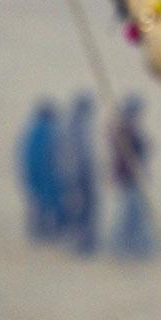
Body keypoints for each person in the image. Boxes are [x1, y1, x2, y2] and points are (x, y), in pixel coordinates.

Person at [110, 96, 153, 257]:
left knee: (134, 213)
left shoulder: (128, 130)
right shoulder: (124, 131)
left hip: (133, 179)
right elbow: (124, 157)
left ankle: (132, 245)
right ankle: (124, 247)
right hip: (129, 180)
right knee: (129, 213)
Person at [17, 100, 65, 240]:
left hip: (36, 176)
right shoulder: (44, 132)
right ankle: (41, 233)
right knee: (44, 205)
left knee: (39, 205)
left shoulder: (33, 130)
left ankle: (39, 232)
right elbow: (42, 159)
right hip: (43, 176)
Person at [63, 93, 98, 254]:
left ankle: (84, 243)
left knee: (86, 210)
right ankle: (81, 244)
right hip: (79, 176)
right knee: (82, 210)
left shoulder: (79, 124)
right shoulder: (74, 126)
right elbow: (74, 155)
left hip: (82, 175)